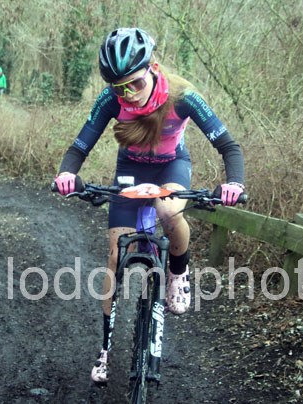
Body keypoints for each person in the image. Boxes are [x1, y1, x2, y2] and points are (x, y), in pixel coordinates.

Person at [52, 28, 245, 383]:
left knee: (169, 211)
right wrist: (67, 174)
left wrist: (234, 183)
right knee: (115, 257)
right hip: (131, 169)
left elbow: (228, 147)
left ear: (153, 68)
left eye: (135, 84)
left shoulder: (183, 95)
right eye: (119, 88)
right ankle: (105, 349)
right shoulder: (111, 100)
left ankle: (178, 273)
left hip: (171, 166)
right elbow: (80, 146)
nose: (128, 94)